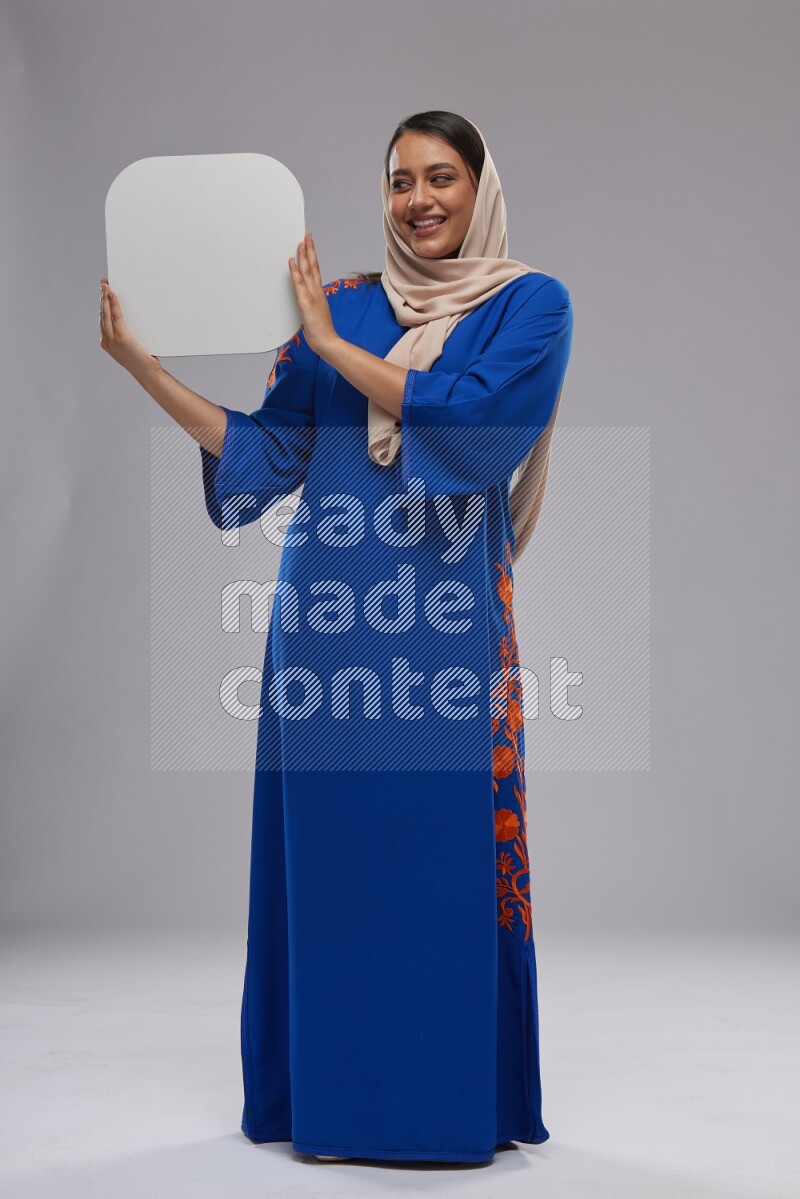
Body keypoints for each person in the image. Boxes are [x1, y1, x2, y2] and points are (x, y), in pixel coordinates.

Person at [99, 109, 573, 1166]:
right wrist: (143, 365)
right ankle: (332, 1101)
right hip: (325, 630)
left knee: (443, 863)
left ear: (479, 185)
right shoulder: (345, 303)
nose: (418, 199)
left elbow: (469, 424)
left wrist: (324, 344)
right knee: (336, 869)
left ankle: (448, 1105)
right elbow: (266, 456)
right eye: (400, 179)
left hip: (446, 630)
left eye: (440, 176)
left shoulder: (529, 304)